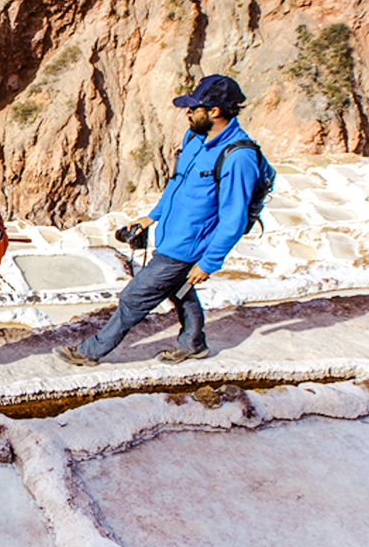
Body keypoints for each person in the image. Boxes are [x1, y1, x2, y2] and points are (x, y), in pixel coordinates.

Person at [55, 74, 262, 366]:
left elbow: (234, 218)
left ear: (215, 111)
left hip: (188, 246)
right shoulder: (195, 137)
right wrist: (153, 216)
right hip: (171, 233)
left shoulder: (239, 158)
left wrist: (208, 262)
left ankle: (90, 352)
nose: (187, 113)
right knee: (179, 289)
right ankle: (193, 343)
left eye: (194, 108)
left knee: (133, 297)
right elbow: (177, 185)